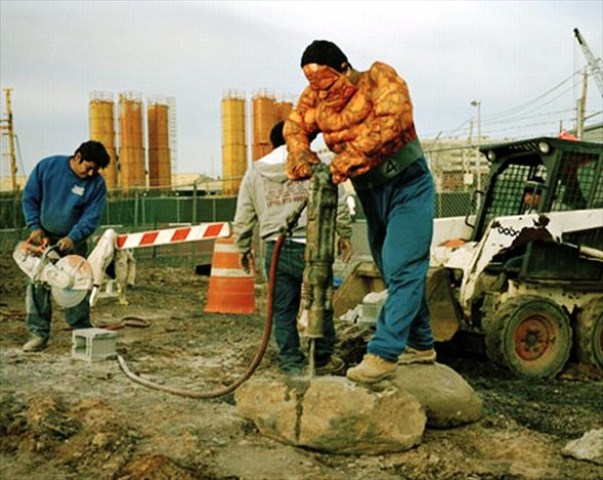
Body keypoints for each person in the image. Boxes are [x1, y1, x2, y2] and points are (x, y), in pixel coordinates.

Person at [284, 40, 436, 384]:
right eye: (313, 85)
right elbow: (294, 127)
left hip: (408, 185)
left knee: (403, 266)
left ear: (344, 68)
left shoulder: (379, 79)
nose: (321, 92)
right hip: (370, 192)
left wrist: (341, 163)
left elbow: (392, 122)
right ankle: (422, 343)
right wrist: (301, 155)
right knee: (393, 269)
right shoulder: (314, 98)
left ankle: (383, 353)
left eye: (326, 82)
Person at [233, 121, 353, 376]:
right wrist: (344, 233)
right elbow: (338, 199)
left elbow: (244, 214)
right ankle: (321, 358)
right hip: (314, 248)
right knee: (320, 302)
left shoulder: (255, 172)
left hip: (275, 250)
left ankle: (291, 363)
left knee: (283, 309)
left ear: (272, 141)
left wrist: (243, 247)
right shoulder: (316, 164)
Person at [21, 140, 110, 352]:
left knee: (77, 285)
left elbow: (91, 217)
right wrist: (34, 227)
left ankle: (81, 329)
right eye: (89, 168)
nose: (91, 174)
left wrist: (73, 237)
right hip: (42, 239)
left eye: (95, 170)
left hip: (73, 243)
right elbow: (30, 198)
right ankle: (38, 334)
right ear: (77, 157)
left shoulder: (97, 184)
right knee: (37, 285)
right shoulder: (48, 167)